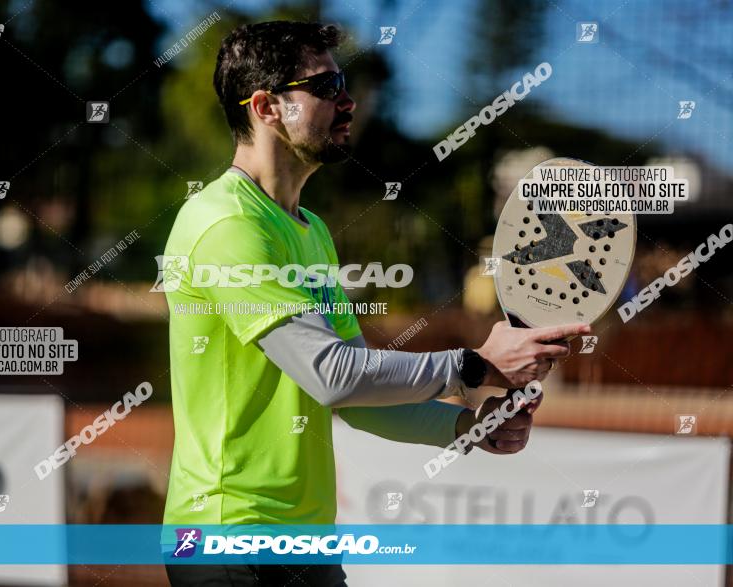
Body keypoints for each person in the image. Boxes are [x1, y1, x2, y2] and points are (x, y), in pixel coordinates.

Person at [160, 20, 589, 586]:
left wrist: (467, 425)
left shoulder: (309, 230)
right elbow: (334, 376)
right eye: (326, 85)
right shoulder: (226, 225)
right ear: (266, 107)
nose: (348, 100)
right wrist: (475, 366)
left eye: (344, 82)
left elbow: (359, 396)